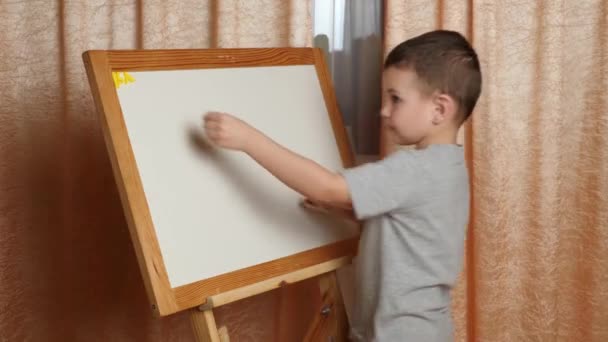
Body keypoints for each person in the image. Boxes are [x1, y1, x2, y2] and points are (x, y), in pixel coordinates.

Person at [202, 30, 482, 341]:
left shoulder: (414, 169)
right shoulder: (450, 168)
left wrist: (248, 140)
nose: (384, 110)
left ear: (439, 109)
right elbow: (410, 231)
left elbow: (328, 187)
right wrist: (343, 210)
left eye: (395, 99)